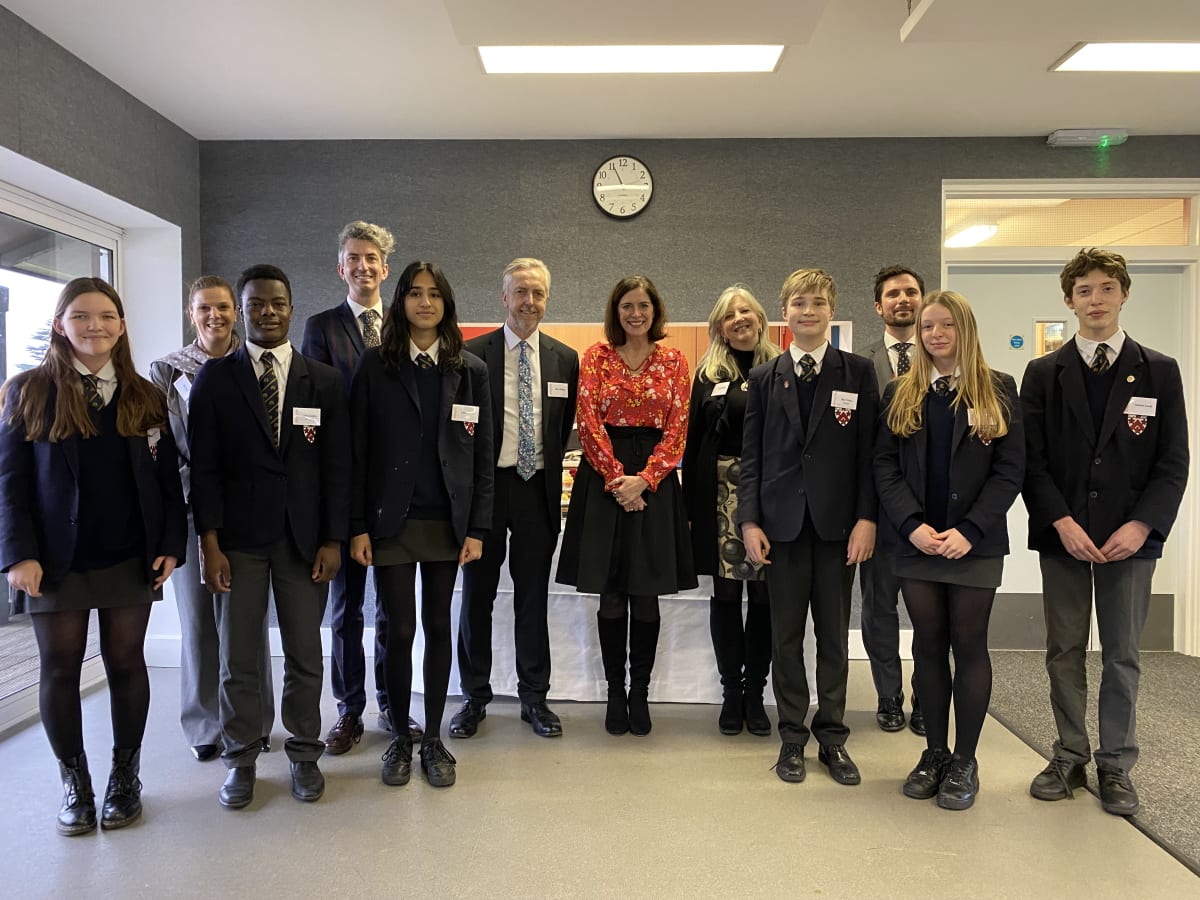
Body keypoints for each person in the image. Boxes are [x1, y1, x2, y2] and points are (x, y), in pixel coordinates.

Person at [0, 277, 187, 835]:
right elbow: (9, 484)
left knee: (127, 664)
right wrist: (18, 555)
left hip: (131, 555)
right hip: (54, 559)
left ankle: (124, 779)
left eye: (106, 316)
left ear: (122, 325)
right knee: (60, 667)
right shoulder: (28, 391)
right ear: (61, 325)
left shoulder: (145, 394)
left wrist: (170, 545)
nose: (94, 326)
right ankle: (74, 785)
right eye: (80, 316)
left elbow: (167, 482)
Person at [1022, 248, 1188, 817]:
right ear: (1068, 300)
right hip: (1063, 536)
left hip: (1130, 541)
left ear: (1124, 294)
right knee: (1063, 649)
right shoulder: (1043, 373)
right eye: (1085, 291)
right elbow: (1031, 460)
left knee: (1122, 653)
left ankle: (1115, 763)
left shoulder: (1159, 370)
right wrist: (1059, 521)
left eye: (1106, 289)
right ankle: (1069, 753)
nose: (1096, 300)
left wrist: (1143, 525)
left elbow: (1173, 461)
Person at [189, 264, 349, 809]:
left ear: (291, 304)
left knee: (306, 652)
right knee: (238, 657)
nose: (268, 312)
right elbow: (205, 469)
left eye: (277, 302)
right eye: (255, 304)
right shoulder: (216, 378)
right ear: (242, 308)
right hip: (238, 542)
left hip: (305, 544)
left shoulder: (323, 381)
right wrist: (209, 544)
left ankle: (305, 753)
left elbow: (337, 469)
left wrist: (333, 538)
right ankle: (240, 761)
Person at [875, 290, 1023, 811]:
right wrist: (912, 526)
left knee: (969, 644)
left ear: (965, 329)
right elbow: (884, 468)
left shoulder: (999, 389)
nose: (935, 334)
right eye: (927, 327)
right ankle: (934, 752)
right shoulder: (901, 392)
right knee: (927, 645)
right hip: (917, 544)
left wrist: (972, 530)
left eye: (945, 325)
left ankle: (965, 759)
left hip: (974, 545)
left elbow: (1010, 472)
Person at [350, 261, 493, 788]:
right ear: (401, 302)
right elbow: (356, 454)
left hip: (446, 523)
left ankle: (433, 739)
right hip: (390, 522)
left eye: (435, 294)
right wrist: (358, 526)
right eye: (415, 293)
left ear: (447, 304)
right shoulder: (375, 366)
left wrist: (477, 528)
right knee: (397, 629)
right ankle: (398, 741)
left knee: (437, 628)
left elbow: (481, 459)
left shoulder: (470, 370)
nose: (425, 302)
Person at [738, 268, 877, 786]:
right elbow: (750, 458)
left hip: (840, 529)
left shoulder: (857, 373)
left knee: (834, 638)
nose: (808, 311)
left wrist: (867, 519)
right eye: (798, 303)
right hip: (782, 528)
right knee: (786, 637)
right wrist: (749, 520)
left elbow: (870, 455)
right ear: (785, 312)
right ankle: (792, 738)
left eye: (818, 303)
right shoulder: (765, 378)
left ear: (831, 310)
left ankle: (833, 739)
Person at [302, 221, 422, 753]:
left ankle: (395, 705)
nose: (364, 267)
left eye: (372, 258)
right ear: (341, 267)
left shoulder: (408, 325)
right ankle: (349, 709)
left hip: (396, 487)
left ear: (385, 267)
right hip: (344, 483)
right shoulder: (321, 327)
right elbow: (316, 408)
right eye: (354, 258)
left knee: (393, 610)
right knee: (345, 606)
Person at [557, 275, 695, 737]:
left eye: (643, 305)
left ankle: (640, 692)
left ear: (656, 310)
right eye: (626, 306)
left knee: (647, 593)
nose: (636, 313)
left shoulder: (675, 360)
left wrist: (646, 480)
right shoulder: (595, 357)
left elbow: (678, 428)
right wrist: (619, 480)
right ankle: (615, 691)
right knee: (612, 592)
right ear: (615, 312)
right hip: (604, 479)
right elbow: (588, 419)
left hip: (653, 481)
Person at [150, 275, 275, 763]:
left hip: (245, 511)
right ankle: (205, 724)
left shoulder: (255, 365)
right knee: (199, 621)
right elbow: (160, 441)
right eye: (205, 308)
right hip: (187, 508)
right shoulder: (167, 371)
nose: (215, 316)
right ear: (191, 312)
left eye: (224, 307)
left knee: (246, 622)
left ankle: (255, 720)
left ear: (236, 312)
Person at [453, 258, 579, 739]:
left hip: (537, 491)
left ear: (547, 299)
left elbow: (562, 426)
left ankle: (535, 698)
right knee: (477, 599)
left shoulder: (565, 359)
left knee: (532, 599)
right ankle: (473, 698)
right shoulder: (471, 355)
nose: (530, 302)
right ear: (504, 298)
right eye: (520, 292)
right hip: (486, 492)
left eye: (538, 293)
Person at [682, 284, 781, 736]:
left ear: (760, 318)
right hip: (720, 496)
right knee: (725, 597)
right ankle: (730, 693)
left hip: (770, 496)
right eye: (729, 314)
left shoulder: (781, 367)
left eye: (746, 311)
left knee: (763, 597)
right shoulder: (706, 375)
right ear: (719, 326)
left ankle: (755, 694)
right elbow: (691, 442)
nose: (739, 318)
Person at [858, 265, 926, 735]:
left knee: (928, 614)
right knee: (878, 609)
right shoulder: (859, 366)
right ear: (878, 306)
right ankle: (888, 696)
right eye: (893, 294)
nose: (903, 299)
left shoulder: (945, 356)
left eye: (911, 292)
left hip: (932, 514)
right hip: (877, 513)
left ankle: (927, 697)